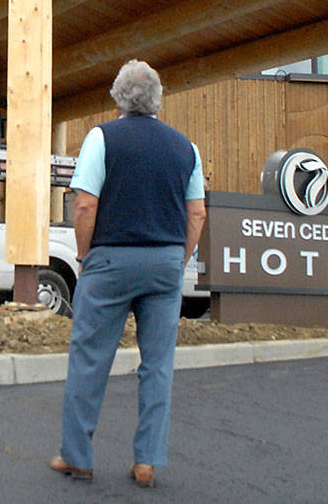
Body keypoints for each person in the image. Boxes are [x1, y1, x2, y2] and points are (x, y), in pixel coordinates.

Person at [51, 60, 206, 489]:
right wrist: (180, 257)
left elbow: (84, 205)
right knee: (157, 364)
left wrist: (85, 256)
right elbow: (197, 212)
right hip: (164, 263)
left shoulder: (102, 137)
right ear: (158, 98)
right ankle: (147, 462)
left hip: (111, 260)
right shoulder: (185, 148)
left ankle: (77, 456)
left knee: (90, 358)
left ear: (118, 97)